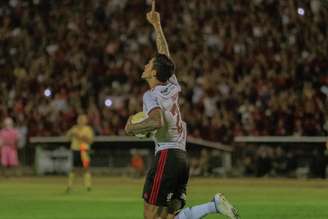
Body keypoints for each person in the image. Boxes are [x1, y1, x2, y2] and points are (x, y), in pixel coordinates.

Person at [124, 1, 239, 218]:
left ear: (155, 72)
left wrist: (132, 128)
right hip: (181, 157)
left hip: (167, 155)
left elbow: (156, 121)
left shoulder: (151, 95)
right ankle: (213, 206)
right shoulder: (172, 85)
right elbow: (164, 54)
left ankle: (214, 205)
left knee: (152, 217)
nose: (145, 66)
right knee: (168, 216)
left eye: (148, 64)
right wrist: (157, 26)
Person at [66, 114, 94, 192]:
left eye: (83, 119)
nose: (81, 120)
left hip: (84, 151)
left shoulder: (88, 129)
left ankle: (88, 186)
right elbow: (67, 137)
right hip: (75, 150)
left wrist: (80, 137)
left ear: (86, 121)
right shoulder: (74, 128)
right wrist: (71, 134)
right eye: (80, 119)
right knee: (74, 169)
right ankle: (70, 186)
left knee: (86, 168)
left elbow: (90, 141)